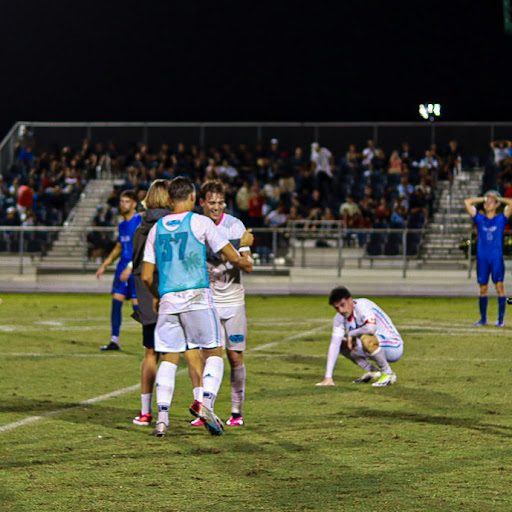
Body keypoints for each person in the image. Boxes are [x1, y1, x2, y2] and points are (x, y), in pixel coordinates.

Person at [142, 177, 252, 437]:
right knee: (214, 352)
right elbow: (231, 256)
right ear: (193, 198)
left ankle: (162, 419)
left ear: (170, 200)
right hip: (198, 299)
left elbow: (147, 276)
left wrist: (157, 295)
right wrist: (244, 247)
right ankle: (207, 404)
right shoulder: (200, 222)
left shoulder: (156, 228)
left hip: (169, 300)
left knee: (169, 358)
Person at [190, 179, 254, 428]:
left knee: (235, 356)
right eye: (211, 203)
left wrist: (238, 249)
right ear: (202, 203)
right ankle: (207, 410)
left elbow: (247, 265)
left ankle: (236, 412)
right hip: (208, 301)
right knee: (208, 356)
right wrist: (234, 249)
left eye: (220, 203)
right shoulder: (196, 225)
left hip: (234, 300)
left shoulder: (234, 225)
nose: (216, 207)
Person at [316, 286, 404, 387]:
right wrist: (328, 377)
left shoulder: (362, 305)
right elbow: (334, 345)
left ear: (350, 300)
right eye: (337, 308)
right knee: (341, 344)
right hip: (374, 346)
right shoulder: (339, 318)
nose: (341, 310)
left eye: (342, 305)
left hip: (394, 345)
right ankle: (373, 371)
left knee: (366, 338)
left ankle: (388, 373)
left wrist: (352, 334)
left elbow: (371, 329)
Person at [95, 190, 142, 350]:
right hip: (122, 268)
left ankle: (150, 341)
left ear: (134, 204)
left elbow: (142, 248)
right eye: (122, 201)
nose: (123, 204)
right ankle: (114, 340)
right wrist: (105, 265)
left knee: (138, 306)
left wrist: (131, 267)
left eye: (127, 201)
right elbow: (119, 247)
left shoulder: (140, 221)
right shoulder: (122, 224)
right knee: (116, 301)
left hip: (136, 268)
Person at [464, 191, 512, 326]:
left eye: (491, 201)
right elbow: (467, 202)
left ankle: (501, 320)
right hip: (482, 258)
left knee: (500, 287)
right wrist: (484, 198)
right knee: (483, 289)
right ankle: (483, 319)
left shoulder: (501, 219)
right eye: (486, 202)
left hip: (496, 258)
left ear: (497, 205)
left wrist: (497, 198)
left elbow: (511, 203)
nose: (488, 203)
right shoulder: (480, 219)